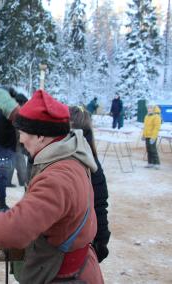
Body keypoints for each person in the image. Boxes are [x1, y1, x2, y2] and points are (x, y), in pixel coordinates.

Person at [0, 89, 104, 283]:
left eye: (23, 133)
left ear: (40, 137)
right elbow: (42, 125)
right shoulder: (67, 146)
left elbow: (16, 229)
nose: (20, 139)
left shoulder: (57, 179)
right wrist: (12, 110)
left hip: (64, 278)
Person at [69, 106, 111, 263]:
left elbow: (99, 203)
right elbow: (101, 203)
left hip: (73, 241)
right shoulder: (91, 160)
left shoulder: (84, 161)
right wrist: (102, 238)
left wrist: (101, 239)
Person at [142, 104, 162, 169]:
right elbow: (145, 127)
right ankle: (150, 163)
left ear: (154, 109)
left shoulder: (156, 117)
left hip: (152, 136)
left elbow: (156, 128)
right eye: (148, 108)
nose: (149, 109)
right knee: (148, 150)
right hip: (147, 136)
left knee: (153, 150)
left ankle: (157, 163)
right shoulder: (146, 116)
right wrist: (143, 135)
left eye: (150, 108)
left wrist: (153, 137)